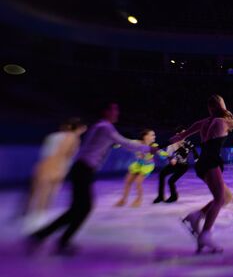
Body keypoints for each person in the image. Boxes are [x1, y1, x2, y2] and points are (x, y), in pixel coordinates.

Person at [26, 103, 156, 255]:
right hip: (83, 169)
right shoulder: (104, 127)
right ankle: (55, 239)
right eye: (114, 110)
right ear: (105, 111)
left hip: (83, 169)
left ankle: (46, 236)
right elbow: (125, 143)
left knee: (78, 208)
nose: (117, 113)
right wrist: (149, 148)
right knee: (83, 208)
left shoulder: (100, 126)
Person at [170, 95, 233, 253]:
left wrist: (174, 139)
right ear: (220, 106)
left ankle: (196, 216)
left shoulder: (201, 123)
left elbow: (180, 136)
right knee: (220, 198)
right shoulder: (225, 122)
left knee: (226, 197)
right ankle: (205, 234)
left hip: (202, 164)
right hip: (210, 162)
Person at [24, 118, 87, 231]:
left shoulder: (53, 136)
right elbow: (64, 154)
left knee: (38, 193)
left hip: (44, 165)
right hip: (55, 167)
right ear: (80, 128)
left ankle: (33, 217)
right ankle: (38, 219)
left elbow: (46, 153)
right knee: (47, 194)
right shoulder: (73, 138)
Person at [115, 129, 167, 208]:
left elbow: (161, 153)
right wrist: (119, 144)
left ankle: (139, 199)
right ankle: (123, 199)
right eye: (152, 135)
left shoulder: (154, 145)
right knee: (127, 181)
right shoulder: (137, 142)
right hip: (138, 164)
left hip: (147, 166)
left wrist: (165, 155)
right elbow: (126, 142)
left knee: (138, 182)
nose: (154, 136)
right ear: (145, 136)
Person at [153, 130, 199, 204]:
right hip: (175, 165)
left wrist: (198, 162)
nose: (185, 135)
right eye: (183, 133)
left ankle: (173, 197)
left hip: (183, 166)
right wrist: (170, 158)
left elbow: (194, 154)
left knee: (171, 181)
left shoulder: (188, 143)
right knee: (162, 174)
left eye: (185, 134)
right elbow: (167, 154)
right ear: (177, 134)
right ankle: (160, 196)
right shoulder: (172, 144)